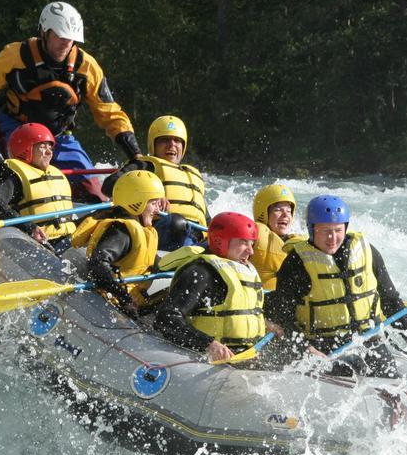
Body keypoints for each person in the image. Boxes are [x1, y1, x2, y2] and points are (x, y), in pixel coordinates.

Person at [0, 1, 140, 201]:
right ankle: (7, 204)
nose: (65, 44)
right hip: (18, 130)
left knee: (94, 192)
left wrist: (135, 154)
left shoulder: (87, 66)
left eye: (70, 39)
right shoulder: (15, 56)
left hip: (59, 136)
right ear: (44, 31)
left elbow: (109, 112)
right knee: (33, 178)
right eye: (59, 36)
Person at [264, 195, 407, 376]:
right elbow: (283, 316)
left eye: (338, 230)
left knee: (398, 392)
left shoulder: (367, 252)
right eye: (325, 231)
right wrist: (306, 349)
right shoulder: (296, 264)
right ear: (312, 230)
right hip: (323, 347)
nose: (332, 238)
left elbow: (391, 301)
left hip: (368, 341)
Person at [153, 212, 266, 363]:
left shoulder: (244, 271)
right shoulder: (200, 273)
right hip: (204, 359)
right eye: (244, 242)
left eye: (252, 243)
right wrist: (208, 344)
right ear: (221, 242)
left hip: (242, 357)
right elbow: (166, 318)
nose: (251, 251)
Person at [102, 115, 208, 250]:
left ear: (183, 145)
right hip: (165, 230)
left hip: (196, 237)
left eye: (177, 140)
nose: (172, 144)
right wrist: (152, 195)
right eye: (165, 140)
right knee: (177, 222)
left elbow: (206, 218)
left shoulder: (193, 175)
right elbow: (109, 185)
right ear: (154, 145)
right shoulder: (146, 165)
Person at [71, 170, 166, 315]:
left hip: (130, 302)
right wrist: (124, 299)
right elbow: (97, 263)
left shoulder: (142, 231)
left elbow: (149, 262)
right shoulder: (122, 232)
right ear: (136, 202)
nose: (158, 209)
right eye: (153, 203)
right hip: (109, 304)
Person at [0, 122, 76, 252]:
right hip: (38, 243)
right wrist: (30, 227)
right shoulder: (15, 176)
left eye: (50, 147)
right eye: (42, 147)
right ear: (26, 150)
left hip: (67, 240)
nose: (49, 152)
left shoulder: (54, 173)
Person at [249, 183, 305, 290]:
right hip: (257, 300)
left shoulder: (297, 243)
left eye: (289, 211)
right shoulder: (252, 235)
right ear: (263, 212)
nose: (286, 215)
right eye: (278, 210)